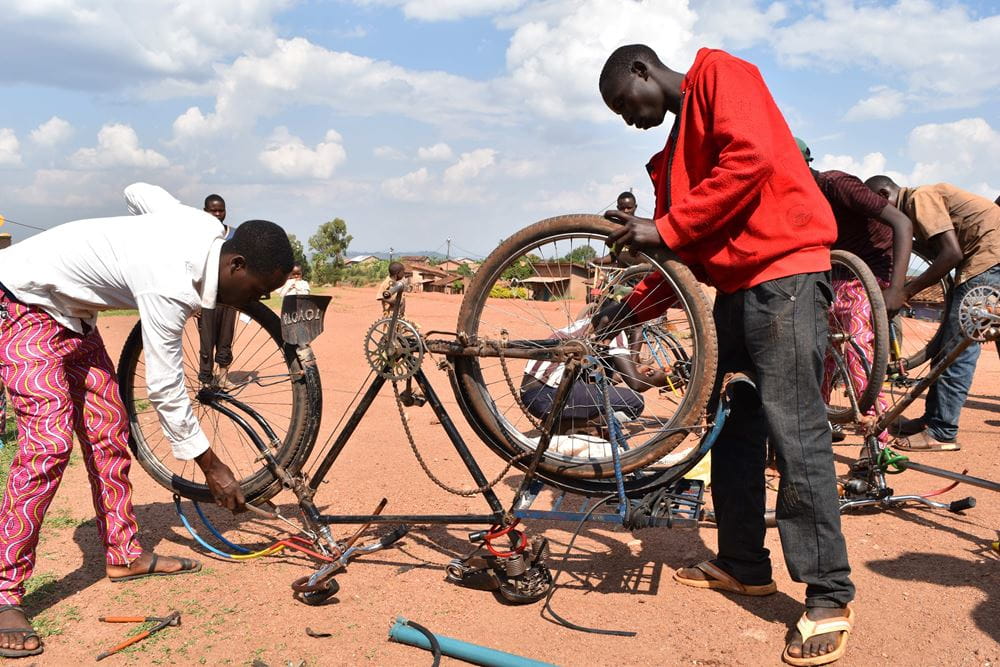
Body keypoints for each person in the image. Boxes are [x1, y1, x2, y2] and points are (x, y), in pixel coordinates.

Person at [596, 44, 855, 665]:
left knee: (796, 433)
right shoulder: (672, 159)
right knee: (732, 432)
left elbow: (755, 157)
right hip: (737, 293)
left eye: (622, 103)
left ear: (642, 70)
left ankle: (828, 596)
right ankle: (744, 562)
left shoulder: (720, 73)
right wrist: (618, 312)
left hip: (786, 277)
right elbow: (678, 255)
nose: (627, 118)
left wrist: (666, 228)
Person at [0, 196, 293, 658]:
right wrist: (212, 466)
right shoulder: (170, 285)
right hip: (19, 300)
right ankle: (4, 591)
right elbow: (165, 387)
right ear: (236, 265)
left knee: (109, 430)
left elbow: (139, 190)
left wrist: (138, 234)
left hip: (73, 318)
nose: (258, 301)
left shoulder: (202, 228)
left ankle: (123, 555)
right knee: (49, 445)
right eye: (258, 290)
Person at [865, 175, 1000, 451]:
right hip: (987, 257)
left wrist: (905, 292)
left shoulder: (919, 198)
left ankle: (942, 431)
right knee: (950, 345)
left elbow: (951, 253)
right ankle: (932, 419)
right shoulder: (920, 204)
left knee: (957, 348)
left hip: (988, 259)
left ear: (883, 194)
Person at [794, 139, 913, 448]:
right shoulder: (798, 198)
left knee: (857, 352)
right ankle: (818, 428)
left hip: (870, 272)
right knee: (821, 354)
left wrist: (897, 289)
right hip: (836, 274)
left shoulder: (837, 183)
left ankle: (878, 441)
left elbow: (902, 222)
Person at [520, 308, 671, 431]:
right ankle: (564, 426)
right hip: (549, 397)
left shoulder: (586, 324)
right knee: (635, 402)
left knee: (602, 386)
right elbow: (637, 384)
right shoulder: (616, 331)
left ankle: (567, 420)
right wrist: (662, 380)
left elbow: (593, 378)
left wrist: (634, 369)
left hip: (531, 393)